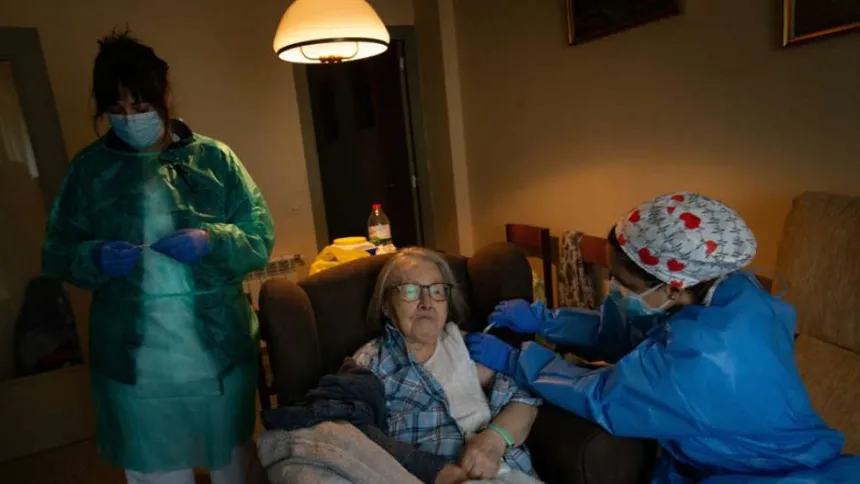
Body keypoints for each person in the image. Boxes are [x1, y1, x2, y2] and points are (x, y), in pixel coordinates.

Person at [465, 193, 860, 482]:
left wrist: (516, 360)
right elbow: (627, 330)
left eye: (623, 283)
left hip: (763, 470)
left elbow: (605, 397)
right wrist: (544, 320)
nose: (614, 290)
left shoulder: (706, 358)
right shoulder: (723, 290)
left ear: (672, 286)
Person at [42, 32, 274, 484]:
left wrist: (212, 240)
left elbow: (258, 235)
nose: (129, 118)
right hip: (137, 363)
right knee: (157, 471)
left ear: (164, 95)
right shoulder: (89, 172)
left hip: (217, 351)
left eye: (140, 104)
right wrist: (92, 256)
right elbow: (59, 249)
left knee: (233, 465)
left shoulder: (215, 160)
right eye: (117, 108)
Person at [353, 248, 543, 484]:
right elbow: (354, 441)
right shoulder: (370, 364)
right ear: (385, 305)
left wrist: (495, 439)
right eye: (410, 291)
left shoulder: (468, 347)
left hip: (508, 472)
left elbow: (526, 400)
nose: (426, 303)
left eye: (436, 291)